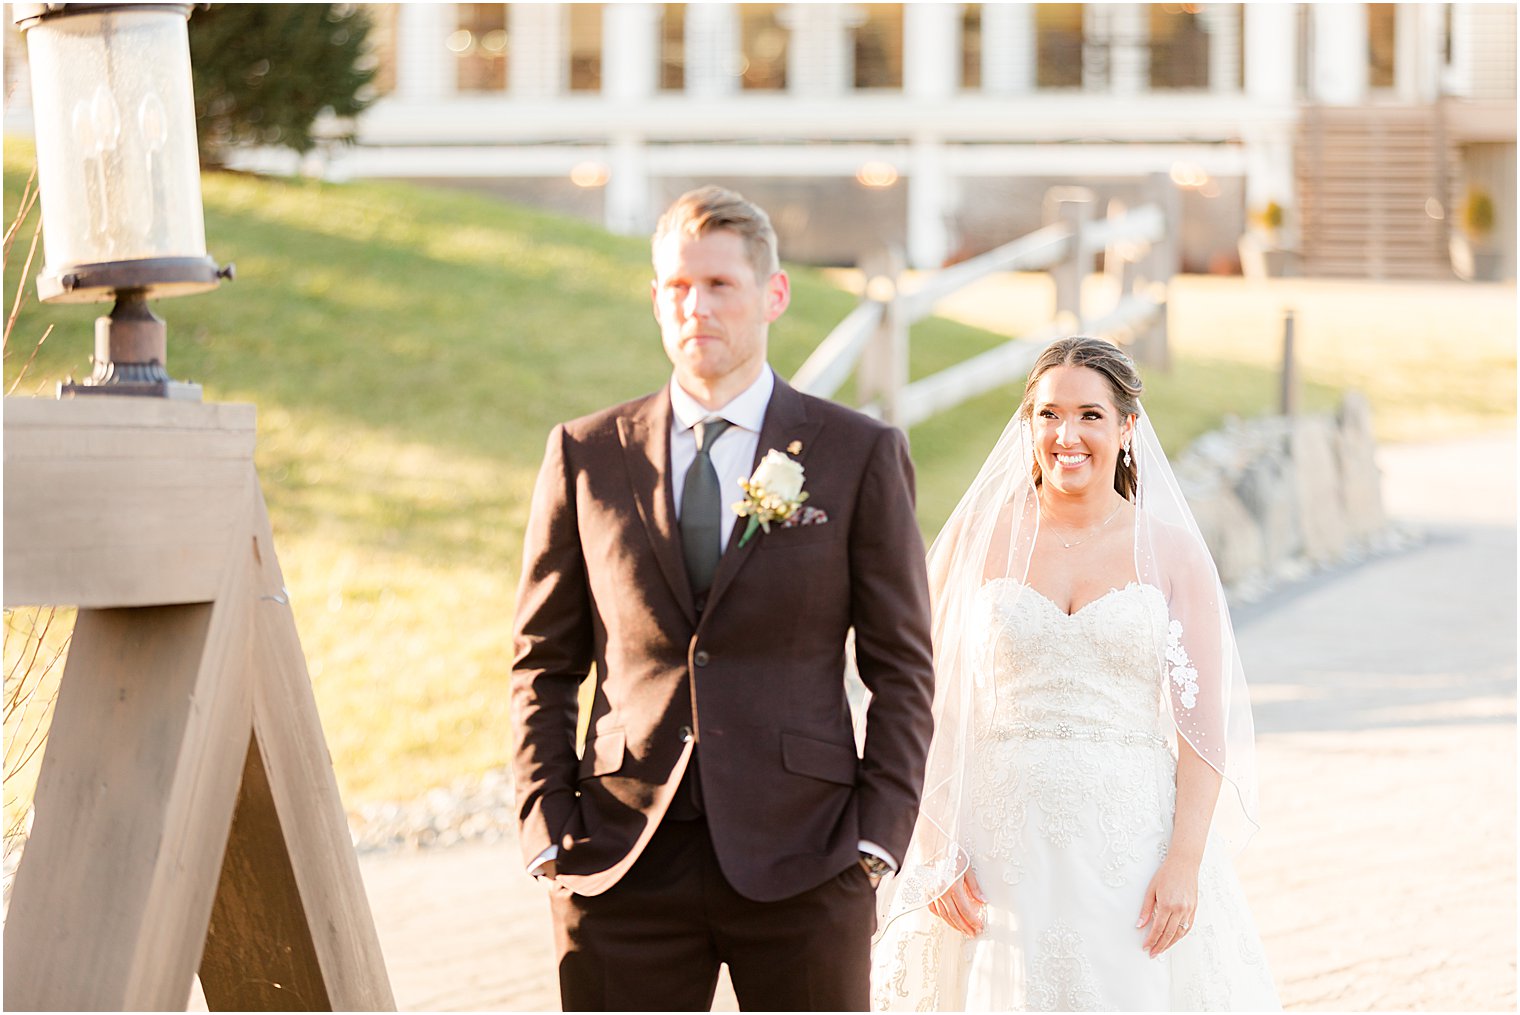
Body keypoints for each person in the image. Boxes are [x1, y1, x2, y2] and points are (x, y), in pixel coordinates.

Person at [511, 185, 936, 1011]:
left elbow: (902, 667)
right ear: (655, 299)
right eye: (676, 286)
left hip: (808, 858)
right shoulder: (585, 454)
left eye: (718, 285)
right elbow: (542, 661)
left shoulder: (857, 454)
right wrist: (546, 824)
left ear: (773, 294)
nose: (695, 306)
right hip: (618, 856)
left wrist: (877, 838)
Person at [871, 336, 1279, 1011]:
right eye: (1049, 414)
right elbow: (926, 703)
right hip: (995, 841)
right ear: (1028, 426)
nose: (1067, 434)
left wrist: (1183, 860)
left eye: (1090, 414)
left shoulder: (1172, 554)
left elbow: (1203, 728)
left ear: (1127, 429)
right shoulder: (979, 536)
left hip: (1129, 844)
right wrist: (937, 840)